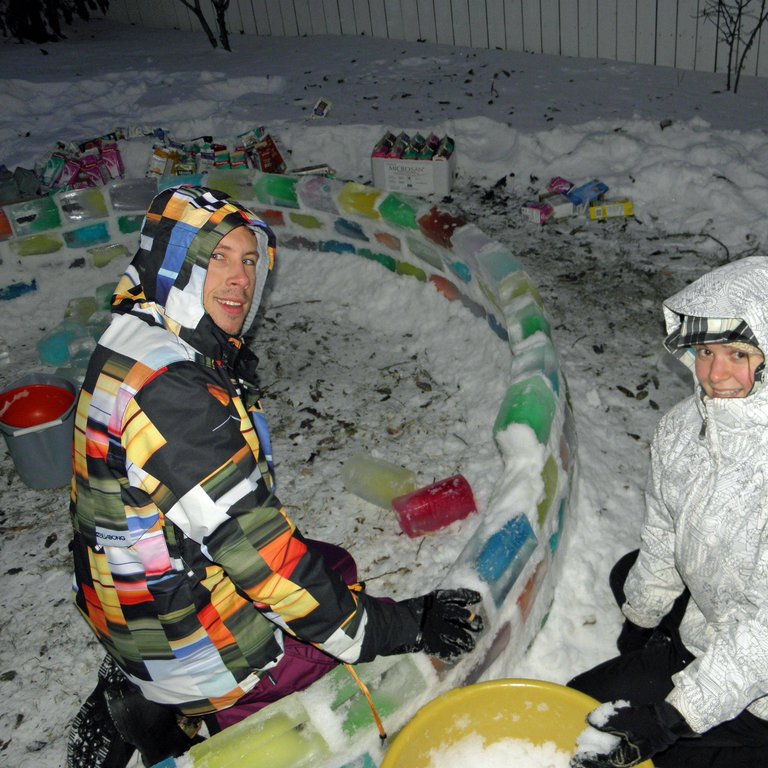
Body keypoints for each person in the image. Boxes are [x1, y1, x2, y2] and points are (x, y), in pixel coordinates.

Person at [66, 185, 483, 767]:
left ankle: (145, 673)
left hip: (128, 588)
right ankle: (199, 718)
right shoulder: (174, 396)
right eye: (217, 258)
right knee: (327, 653)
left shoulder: (133, 340)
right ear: (173, 262)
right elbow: (266, 566)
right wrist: (408, 624)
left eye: (250, 260)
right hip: (181, 633)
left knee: (335, 567)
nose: (240, 278)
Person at [568, 256, 768, 768]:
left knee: (637, 755)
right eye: (706, 351)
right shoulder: (683, 427)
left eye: (739, 353)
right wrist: (640, 623)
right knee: (580, 708)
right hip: (708, 630)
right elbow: (664, 531)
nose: (716, 374)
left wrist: (673, 715)